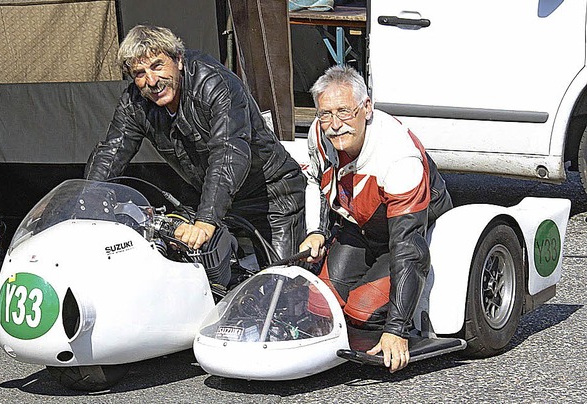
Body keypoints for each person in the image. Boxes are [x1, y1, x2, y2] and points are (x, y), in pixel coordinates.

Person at [85, 25, 306, 281]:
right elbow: (111, 151)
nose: (152, 81)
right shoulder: (134, 102)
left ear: (178, 60)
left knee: (281, 286)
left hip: (270, 196)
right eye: (140, 73)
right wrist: (85, 202)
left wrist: (206, 220)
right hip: (206, 197)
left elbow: (228, 152)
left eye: (157, 66)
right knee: (174, 268)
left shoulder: (215, 84)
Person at [299, 65, 453, 373]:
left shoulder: (398, 156)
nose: (334, 125)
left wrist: (396, 330)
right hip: (360, 224)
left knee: (360, 311)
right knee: (318, 307)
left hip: (405, 230)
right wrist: (316, 230)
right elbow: (315, 180)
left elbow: (409, 250)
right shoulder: (319, 133)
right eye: (325, 114)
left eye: (344, 112)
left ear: (366, 108)